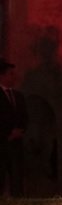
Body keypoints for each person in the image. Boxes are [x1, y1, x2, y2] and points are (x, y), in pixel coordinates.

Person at [0, 58, 27, 197]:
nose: (14, 77)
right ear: (2, 76)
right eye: (11, 74)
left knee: (17, 179)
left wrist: (20, 131)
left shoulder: (18, 96)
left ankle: (18, 203)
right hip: (1, 144)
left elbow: (25, 117)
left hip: (16, 145)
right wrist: (7, 134)